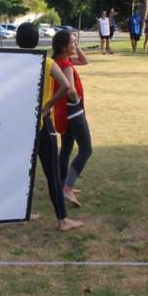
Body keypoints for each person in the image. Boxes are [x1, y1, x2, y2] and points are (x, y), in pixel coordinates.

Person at [15, 23, 83, 231]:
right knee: (52, 172)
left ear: (18, 41)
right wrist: (48, 105)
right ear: (37, 40)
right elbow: (66, 86)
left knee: (21, 171)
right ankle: (63, 220)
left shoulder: (13, 62)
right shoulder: (47, 62)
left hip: (20, 124)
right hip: (42, 124)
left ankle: (20, 213)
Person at [52, 30, 92, 208]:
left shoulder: (58, 61)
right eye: (72, 43)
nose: (75, 46)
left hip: (63, 112)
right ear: (63, 46)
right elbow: (69, 89)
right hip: (73, 112)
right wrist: (75, 100)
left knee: (66, 149)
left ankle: (61, 184)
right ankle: (67, 187)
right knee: (86, 149)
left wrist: (77, 47)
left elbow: (84, 61)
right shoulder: (66, 65)